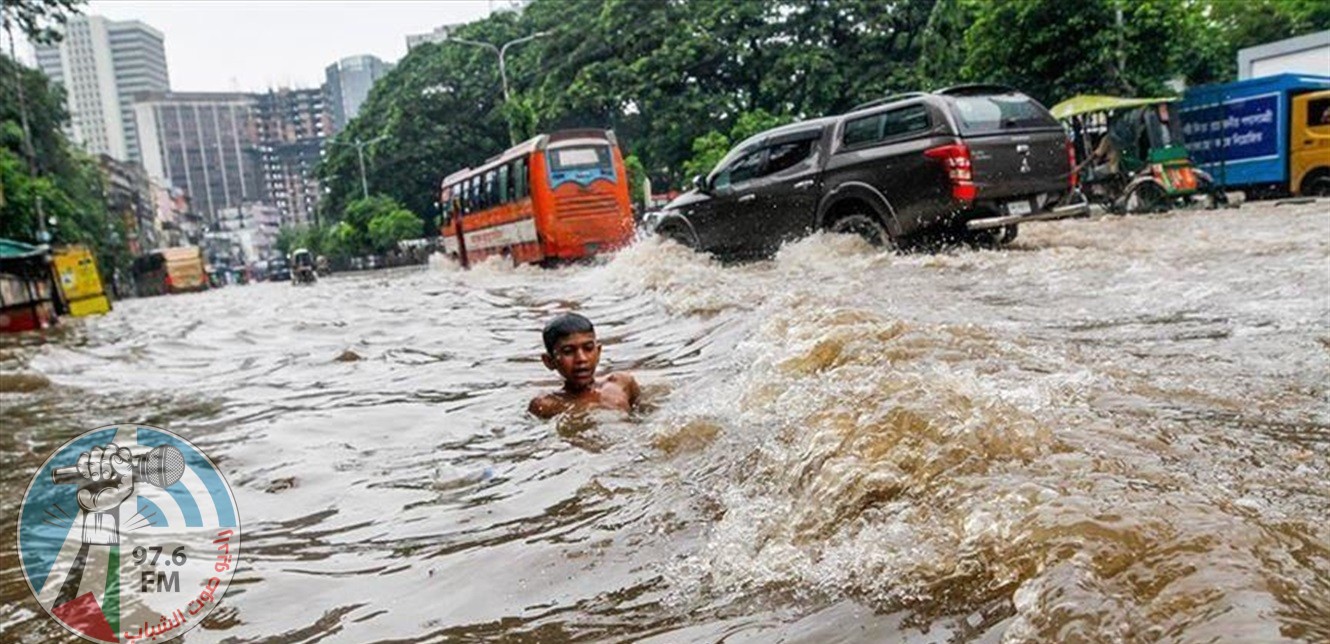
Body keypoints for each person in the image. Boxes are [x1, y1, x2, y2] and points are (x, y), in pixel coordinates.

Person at [528, 313, 639, 419]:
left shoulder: (621, 383)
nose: (581, 359)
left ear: (598, 351)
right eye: (568, 351)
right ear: (549, 361)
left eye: (588, 348)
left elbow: (644, 415)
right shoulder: (547, 405)